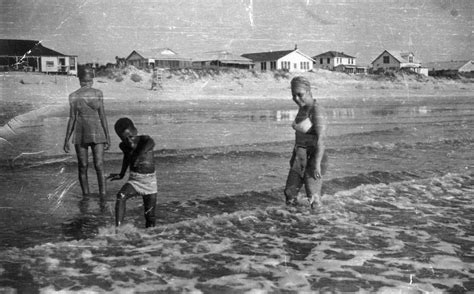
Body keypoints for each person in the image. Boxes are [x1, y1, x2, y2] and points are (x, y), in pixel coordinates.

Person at [64, 67, 110, 196]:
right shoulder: (73, 96)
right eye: (86, 80)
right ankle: (87, 195)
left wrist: (107, 136)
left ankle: (102, 195)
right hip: (81, 133)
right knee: (90, 165)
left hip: (96, 133)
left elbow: (102, 115)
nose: (87, 83)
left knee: (91, 165)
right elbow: (72, 117)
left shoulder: (98, 93)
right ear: (80, 80)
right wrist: (66, 139)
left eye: (89, 80)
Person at [284, 76, 328, 208]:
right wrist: (294, 158)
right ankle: (294, 222)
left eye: (300, 94)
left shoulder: (316, 110)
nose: (296, 98)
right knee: (290, 193)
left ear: (309, 91)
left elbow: (321, 139)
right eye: (293, 95)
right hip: (300, 157)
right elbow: (300, 136)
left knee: (313, 196)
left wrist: (317, 164)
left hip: (314, 157)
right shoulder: (302, 108)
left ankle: (319, 224)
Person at [108, 117, 157, 228]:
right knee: (121, 196)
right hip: (135, 180)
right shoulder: (123, 146)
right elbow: (126, 157)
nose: (129, 141)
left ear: (135, 131)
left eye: (130, 137)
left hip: (150, 182)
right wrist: (121, 174)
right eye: (124, 139)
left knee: (150, 218)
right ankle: (118, 230)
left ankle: (151, 240)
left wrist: (137, 156)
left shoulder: (146, 140)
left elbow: (146, 147)